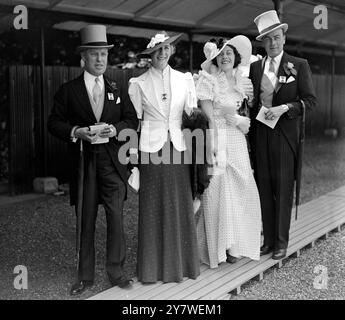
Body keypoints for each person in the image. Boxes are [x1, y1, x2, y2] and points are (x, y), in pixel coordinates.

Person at [47, 24, 138, 295]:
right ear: (83, 58)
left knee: (116, 219)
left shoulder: (117, 87)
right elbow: (53, 122)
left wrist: (115, 129)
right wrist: (76, 132)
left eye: (104, 54)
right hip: (84, 164)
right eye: (94, 54)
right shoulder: (68, 90)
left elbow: (132, 121)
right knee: (86, 220)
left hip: (112, 164)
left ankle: (116, 272)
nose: (100, 59)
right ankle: (85, 277)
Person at [128, 31, 200, 283]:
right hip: (151, 150)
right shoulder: (138, 83)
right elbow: (134, 124)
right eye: (158, 49)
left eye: (166, 48)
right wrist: (133, 161)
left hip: (179, 148)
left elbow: (193, 117)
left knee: (180, 204)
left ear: (171, 51)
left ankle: (182, 267)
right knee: (153, 206)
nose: (162, 53)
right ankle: (151, 270)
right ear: (149, 55)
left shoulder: (185, 79)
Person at [249, 10, 316, 260]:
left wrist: (287, 108)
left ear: (284, 37)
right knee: (264, 187)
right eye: (267, 39)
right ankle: (267, 239)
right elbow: (253, 101)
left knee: (283, 188)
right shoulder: (255, 68)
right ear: (262, 42)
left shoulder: (299, 65)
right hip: (261, 135)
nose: (273, 43)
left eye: (276, 37)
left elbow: (310, 101)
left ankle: (281, 241)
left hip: (285, 136)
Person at [194, 36, 261, 268]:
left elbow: (248, 110)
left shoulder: (244, 82)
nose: (225, 57)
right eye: (221, 54)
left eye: (229, 53)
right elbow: (208, 116)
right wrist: (212, 144)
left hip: (237, 140)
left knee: (242, 187)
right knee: (216, 192)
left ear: (236, 58)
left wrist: (241, 119)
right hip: (217, 137)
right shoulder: (208, 80)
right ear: (215, 58)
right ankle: (217, 249)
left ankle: (236, 244)